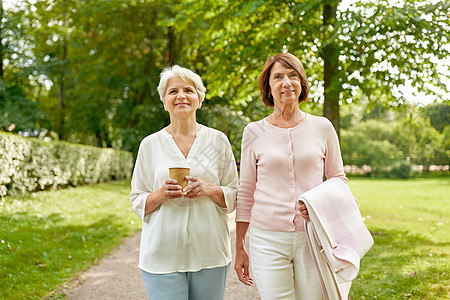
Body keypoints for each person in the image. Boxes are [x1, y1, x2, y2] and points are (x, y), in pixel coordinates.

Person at [234, 53, 347, 300]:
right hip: (267, 239)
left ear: (302, 83)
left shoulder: (323, 127)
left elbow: (338, 178)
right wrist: (240, 245)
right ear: (269, 87)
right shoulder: (253, 132)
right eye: (278, 77)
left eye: (293, 75)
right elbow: (245, 191)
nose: (286, 82)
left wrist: (317, 203)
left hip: (312, 236)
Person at [130, 65, 238, 300]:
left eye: (188, 90)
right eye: (173, 91)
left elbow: (234, 194)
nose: (181, 96)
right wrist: (161, 194)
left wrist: (209, 189)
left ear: (199, 99)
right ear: (164, 101)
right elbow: (137, 199)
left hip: (210, 252)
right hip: (162, 255)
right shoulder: (150, 144)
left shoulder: (218, 141)